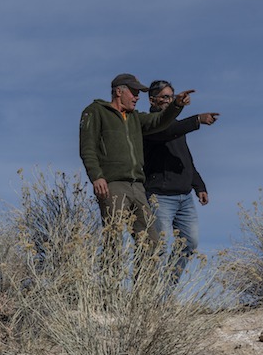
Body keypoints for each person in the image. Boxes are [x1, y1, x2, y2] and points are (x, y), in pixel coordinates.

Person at [79, 74, 194, 253]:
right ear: (119, 92)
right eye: (134, 92)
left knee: (151, 245)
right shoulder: (95, 111)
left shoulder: (135, 117)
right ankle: (110, 281)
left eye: (139, 93)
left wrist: (176, 105)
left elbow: (159, 121)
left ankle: (144, 282)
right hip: (113, 186)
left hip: (138, 187)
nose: (137, 97)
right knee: (114, 240)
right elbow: (87, 148)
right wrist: (97, 176)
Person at [143, 80, 219, 283]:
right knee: (159, 248)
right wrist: (197, 120)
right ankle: (148, 296)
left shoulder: (176, 127)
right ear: (152, 100)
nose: (169, 100)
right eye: (165, 97)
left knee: (189, 244)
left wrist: (198, 185)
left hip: (184, 197)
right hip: (160, 197)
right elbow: (165, 132)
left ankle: (164, 294)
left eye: (172, 96)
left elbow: (185, 158)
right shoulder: (149, 123)